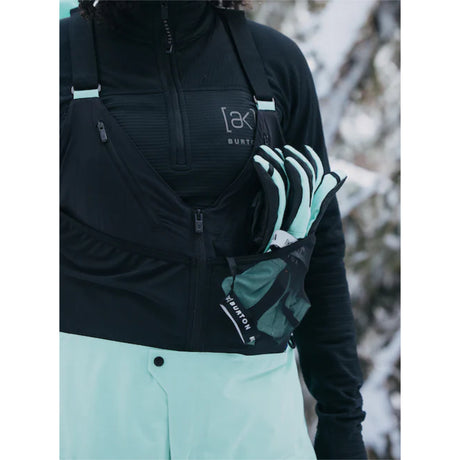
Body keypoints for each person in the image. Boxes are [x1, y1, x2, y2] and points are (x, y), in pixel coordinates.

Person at [59, 1, 366, 459]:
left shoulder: (274, 62)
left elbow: (319, 254)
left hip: (251, 423)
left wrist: (342, 421)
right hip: (89, 415)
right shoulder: (53, 58)